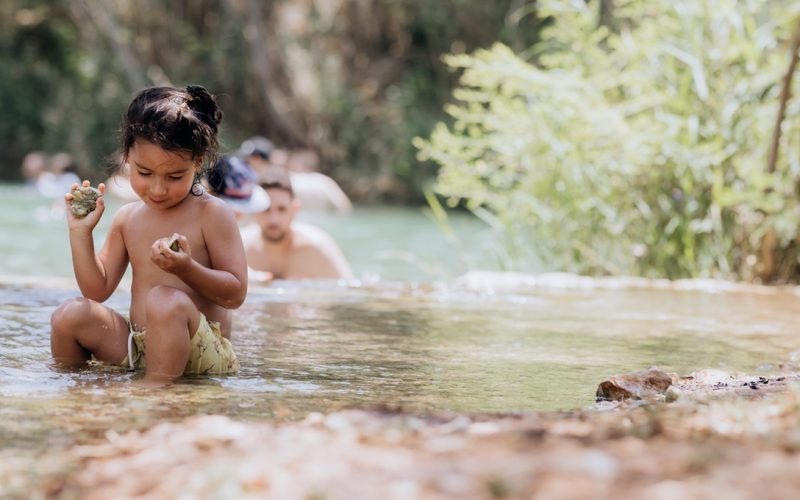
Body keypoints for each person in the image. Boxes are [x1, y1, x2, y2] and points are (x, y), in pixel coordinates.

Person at [50, 85, 247, 382]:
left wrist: (188, 269)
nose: (157, 188)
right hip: (142, 348)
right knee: (69, 314)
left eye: (174, 177)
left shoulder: (212, 214)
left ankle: (153, 393)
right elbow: (96, 290)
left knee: (164, 300)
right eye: (144, 173)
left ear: (198, 161)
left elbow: (235, 294)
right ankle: (73, 393)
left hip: (203, 353)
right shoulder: (127, 218)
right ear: (128, 155)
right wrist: (80, 233)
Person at [242, 165, 353, 281]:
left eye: (281, 209)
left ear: (295, 209)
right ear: (254, 211)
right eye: (266, 209)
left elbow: (351, 292)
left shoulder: (317, 247)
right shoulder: (241, 250)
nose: (273, 219)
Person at [239, 137, 352, 213]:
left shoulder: (255, 191)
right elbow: (345, 210)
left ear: (256, 160)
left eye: (246, 162)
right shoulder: (322, 182)